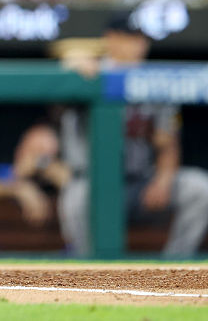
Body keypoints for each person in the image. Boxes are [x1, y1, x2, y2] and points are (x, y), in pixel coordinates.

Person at [57, 13, 208, 257]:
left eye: (142, 39)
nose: (140, 45)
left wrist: (163, 178)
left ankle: (174, 267)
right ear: (111, 39)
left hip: (140, 183)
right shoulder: (91, 72)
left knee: (200, 189)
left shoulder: (154, 82)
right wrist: (74, 64)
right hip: (94, 183)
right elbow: (62, 75)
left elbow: (167, 142)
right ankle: (86, 271)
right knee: (76, 197)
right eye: (131, 38)